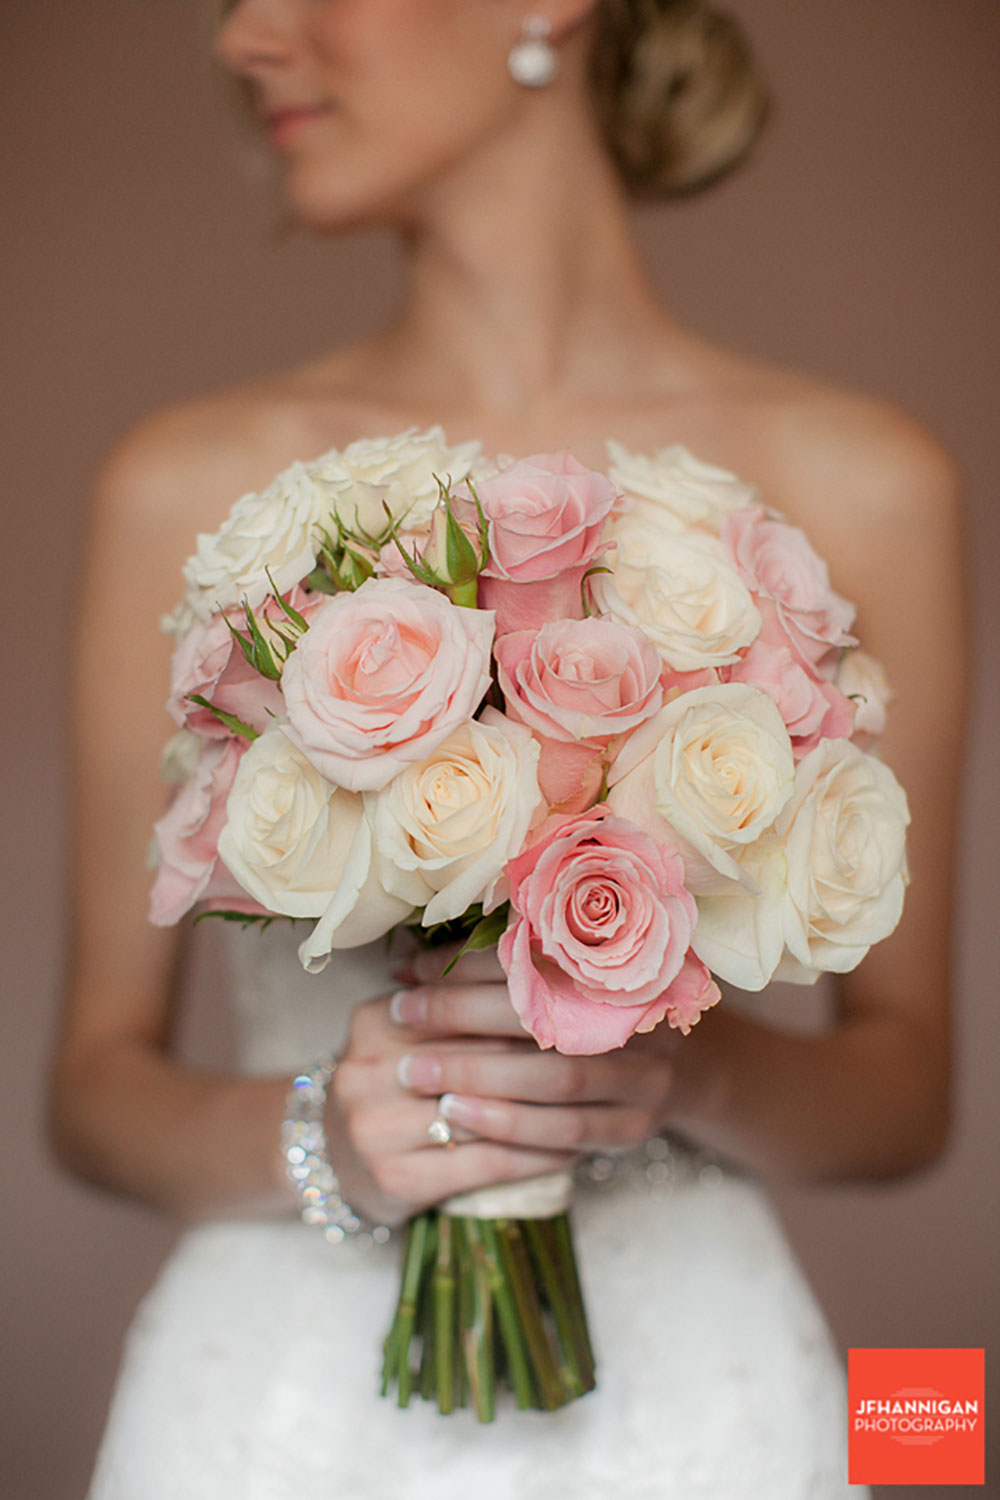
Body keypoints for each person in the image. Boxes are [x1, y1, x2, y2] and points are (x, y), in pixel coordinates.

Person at [50, 1, 966, 1496]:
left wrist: (680, 1070)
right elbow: (95, 1090)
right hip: (279, 1406)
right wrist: (322, 1139)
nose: (247, 37)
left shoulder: (866, 486)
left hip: (697, 1399)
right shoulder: (196, 494)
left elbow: (905, 1095)